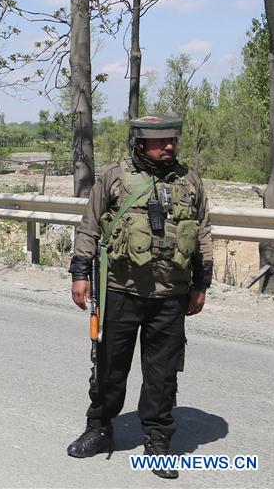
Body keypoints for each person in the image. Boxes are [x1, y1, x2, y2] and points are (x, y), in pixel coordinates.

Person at [66, 114, 213, 479]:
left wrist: (201, 284)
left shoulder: (190, 181)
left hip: (171, 295)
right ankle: (99, 428)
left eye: (173, 141)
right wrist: (80, 274)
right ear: (140, 143)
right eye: (161, 142)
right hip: (120, 291)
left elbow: (204, 233)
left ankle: (158, 439)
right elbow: (89, 226)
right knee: (110, 366)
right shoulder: (115, 177)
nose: (169, 147)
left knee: (163, 374)